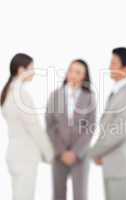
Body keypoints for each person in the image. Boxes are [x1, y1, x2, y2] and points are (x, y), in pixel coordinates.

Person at [89, 47, 126, 200]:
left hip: (122, 167)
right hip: (113, 166)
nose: (109, 67)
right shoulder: (117, 93)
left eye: (113, 63)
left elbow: (119, 132)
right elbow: (108, 128)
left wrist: (92, 153)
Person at [1, 53, 54, 200]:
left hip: (14, 154)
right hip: (25, 156)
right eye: (31, 68)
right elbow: (34, 128)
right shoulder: (21, 95)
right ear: (20, 70)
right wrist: (50, 154)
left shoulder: (8, 92)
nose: (34, 72)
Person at [46, 59, 96, 200]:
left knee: (80, 195)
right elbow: (50, 126)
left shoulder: (90, 97)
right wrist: (62, 151)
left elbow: (91, 127)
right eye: (71, 70)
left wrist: (75, 152)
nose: (73, 74)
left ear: (84, 77)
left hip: (80, 156)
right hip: (59, 154)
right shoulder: (55, 95)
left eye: (78, 72)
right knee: (58, 195)